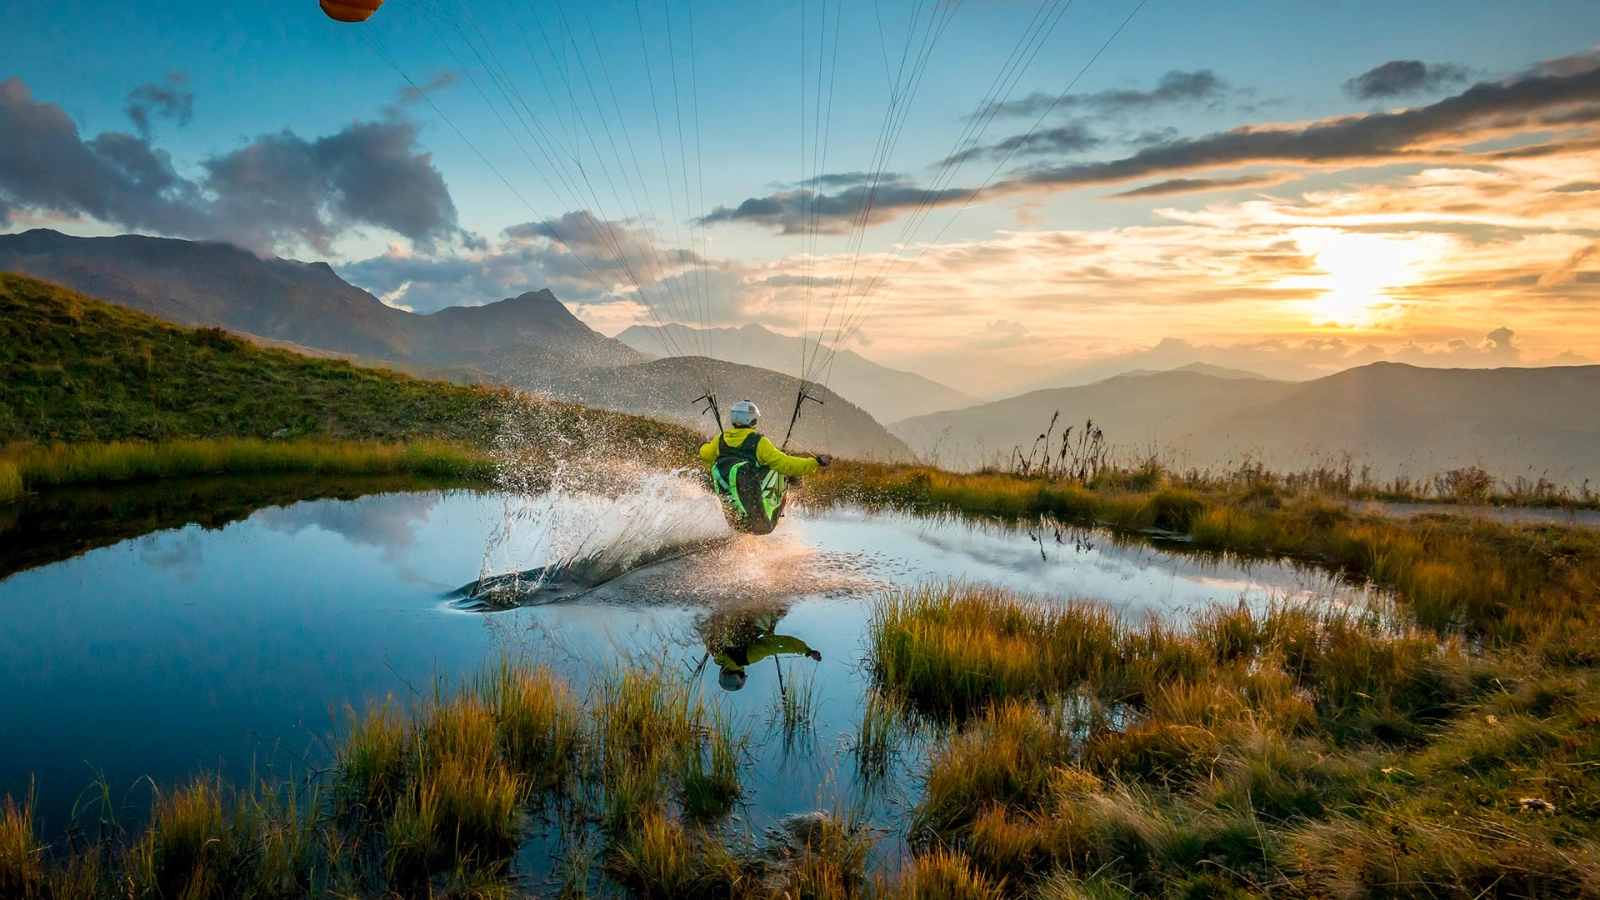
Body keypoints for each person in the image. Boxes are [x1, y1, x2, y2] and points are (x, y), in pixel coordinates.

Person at [700, 400, 832, 535]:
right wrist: (816, 462)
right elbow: (786, 464)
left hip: (735, 521)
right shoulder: (759, 442)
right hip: (760, 521)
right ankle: (779, 506)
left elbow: (705, 455)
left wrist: (703, 444)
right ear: (752, 419)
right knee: (782, 471)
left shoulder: (720, 439)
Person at [698, 603, 822, 692]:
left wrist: (806, 650)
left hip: (748, 611)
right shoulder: (715, 651)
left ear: (740, 674)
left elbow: (778, 644)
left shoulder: (747, 658)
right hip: (722, 609)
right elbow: (704, 628)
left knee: (777, 614)